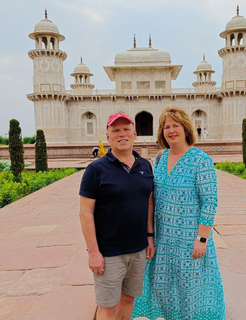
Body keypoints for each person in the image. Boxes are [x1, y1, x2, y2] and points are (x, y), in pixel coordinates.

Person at [132, 107, 225, 320]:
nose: (171, 130)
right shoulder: (160, 158)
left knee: (190, 289)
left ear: (185, 128)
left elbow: (209, 202)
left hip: (190, 239)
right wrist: (150, 236)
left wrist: (202, 239)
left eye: (176, 125)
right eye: (166, 127)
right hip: (165, 238)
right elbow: (154, 199)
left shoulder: (200, 159)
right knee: (163, 288)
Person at [79, 112, 155, 320]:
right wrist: (93, 252)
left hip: (138, 250)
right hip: (109, 252)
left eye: (126, 129)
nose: (122, 134)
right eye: (116, 130)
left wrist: (149, 237)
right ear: (107, 135)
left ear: (134, 133)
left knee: (129, 299)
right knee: (108, 307)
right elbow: (85, 212)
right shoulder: (96, 169)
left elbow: (148, 201)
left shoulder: (145, 165)